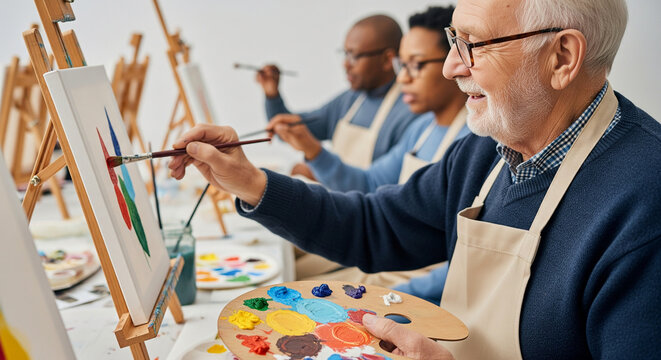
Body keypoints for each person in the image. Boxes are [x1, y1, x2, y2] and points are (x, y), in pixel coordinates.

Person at [170, 0, 661, 358]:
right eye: (453, 41)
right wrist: (252, 182)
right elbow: (375, 225)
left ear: (561, 58)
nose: (451, 67)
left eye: (471, 45)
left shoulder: (645, 201)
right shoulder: (485, 154)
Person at [268, 6, 468, 304]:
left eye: (416, 65)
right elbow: (369, 185)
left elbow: (464, 262)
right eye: (404, 66)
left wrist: (392, 298)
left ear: (456, 62)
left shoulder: (473, 143)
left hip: (416, 282)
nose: (402, 80)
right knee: (285, 280)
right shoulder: (421, 129)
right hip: (389, 257)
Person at [256, 15, 420, 176]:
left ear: (387, 59)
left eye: (354, 56)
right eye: (345, 54)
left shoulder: (410, 113)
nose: (346, 64)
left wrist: (318, 169)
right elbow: (294, 130)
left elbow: (381, 185)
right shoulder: (350, 101)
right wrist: (273, 95)